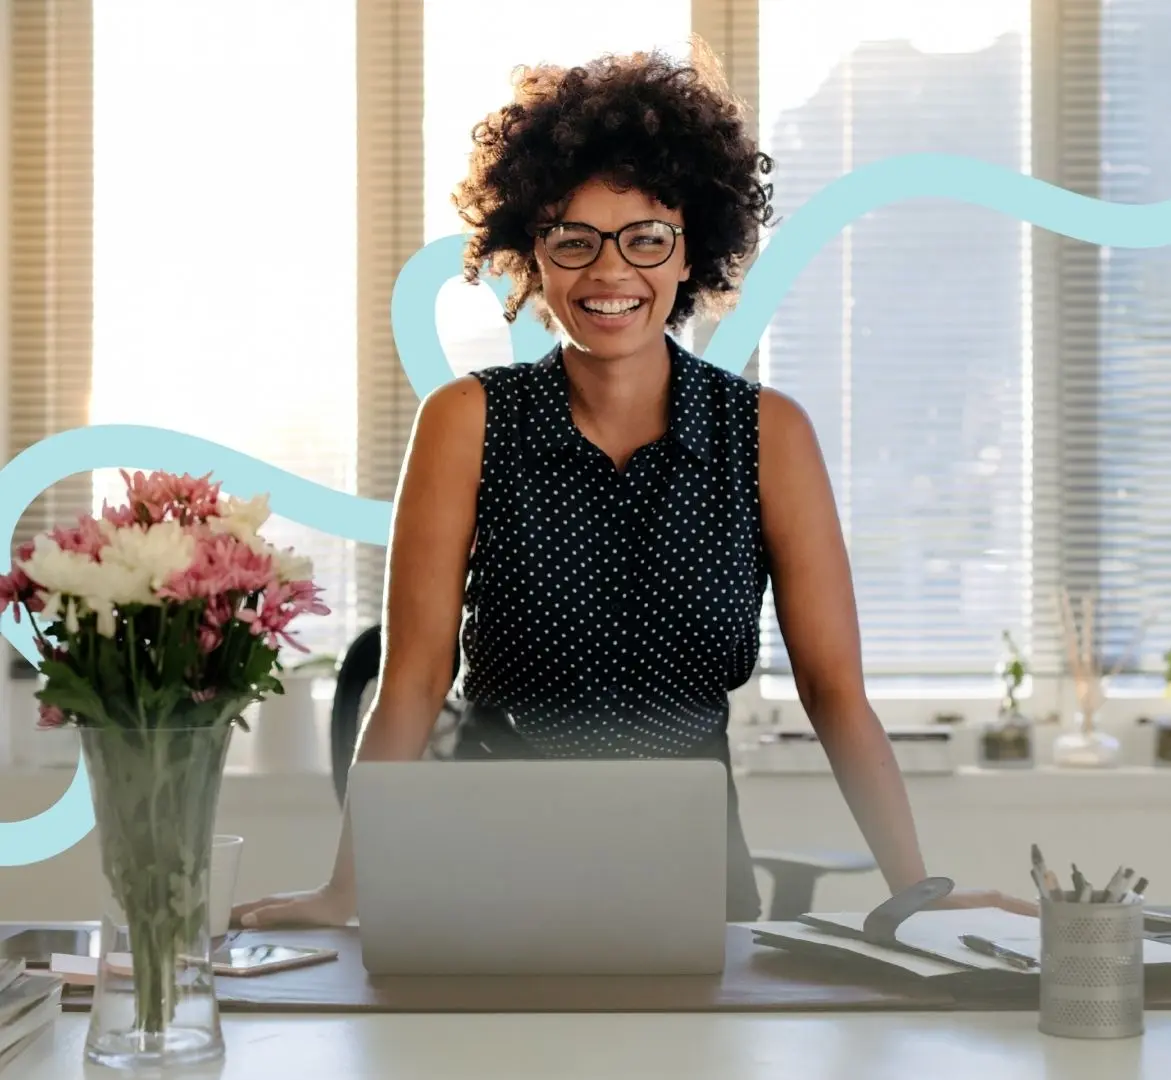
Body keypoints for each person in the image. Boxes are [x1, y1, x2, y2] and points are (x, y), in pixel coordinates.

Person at [233, 40, 1033, 929]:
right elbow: (414, 679)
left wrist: (914, 892)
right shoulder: (467, 422)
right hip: (487, 863)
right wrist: (348, 891)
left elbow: (834, 690)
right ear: (531, 257)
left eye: (646, 238)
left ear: (692, 252)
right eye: (573, 240)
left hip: (687, 869)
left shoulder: (770, 436)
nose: (611, 273)